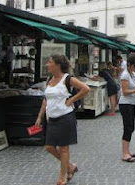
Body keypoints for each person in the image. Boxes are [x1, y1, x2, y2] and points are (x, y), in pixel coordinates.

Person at [35, 54, 90, 185]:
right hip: (52, 119)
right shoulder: (49, 79)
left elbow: (85, 89)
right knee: (49, 147)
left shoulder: (67, 78)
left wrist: (71, 99)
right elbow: (46, 99)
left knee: (64, 148)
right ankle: (70, 166)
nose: (47, 65)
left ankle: (62, 177)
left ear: (58, 65)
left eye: (50, 62)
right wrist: (39, 116)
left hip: (65, 118)